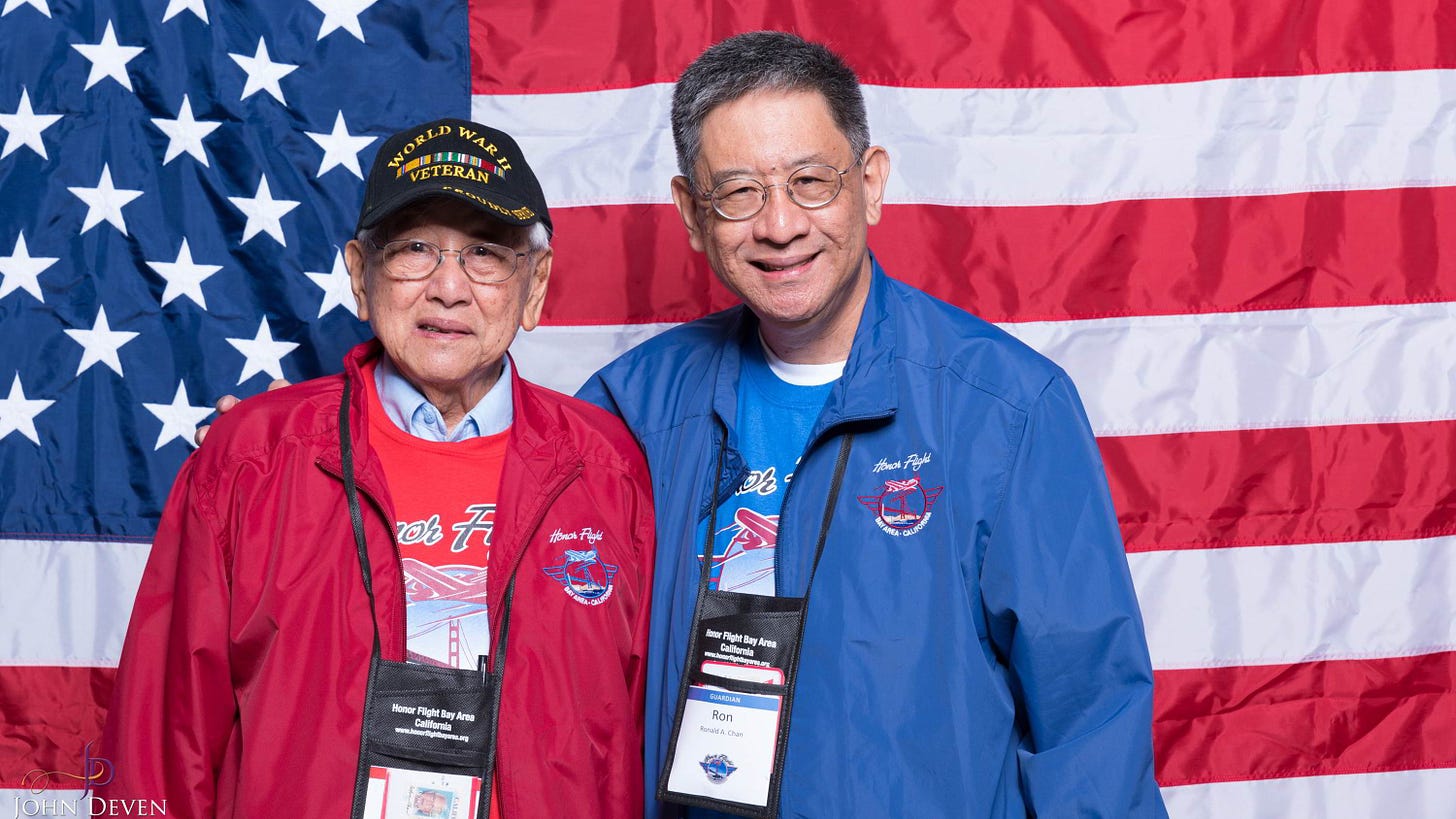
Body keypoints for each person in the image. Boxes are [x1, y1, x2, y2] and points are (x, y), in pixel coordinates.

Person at [575, 32, 1169, 817]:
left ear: (872, 183)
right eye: (740, 193)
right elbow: (563, 689)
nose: (780, 225)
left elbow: (1089, 721)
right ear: (693, 214)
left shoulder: (1006, 409)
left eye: (811, 181)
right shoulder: (628, 410)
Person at [99, 118, 654, 818]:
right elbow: (158, 742)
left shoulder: (607, 472)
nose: (448, 288)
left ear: (534, 284)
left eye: (485, 252)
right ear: (361, 276)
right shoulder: (250, 460)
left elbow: (640, 737)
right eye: (416, 248)